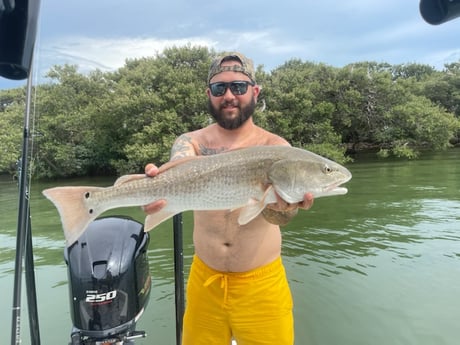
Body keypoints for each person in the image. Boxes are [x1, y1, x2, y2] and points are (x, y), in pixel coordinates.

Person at [143, 52, 314, 345]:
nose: (229, 96)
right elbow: (179, 171)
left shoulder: (277, 148)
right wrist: (155, 189)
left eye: (239, 86)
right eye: (220, 88)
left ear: (255, 91)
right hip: (204, 283)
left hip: (262, 286)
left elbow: (279, 219)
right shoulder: (191, 141)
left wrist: (284, 208)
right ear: (209, 94)